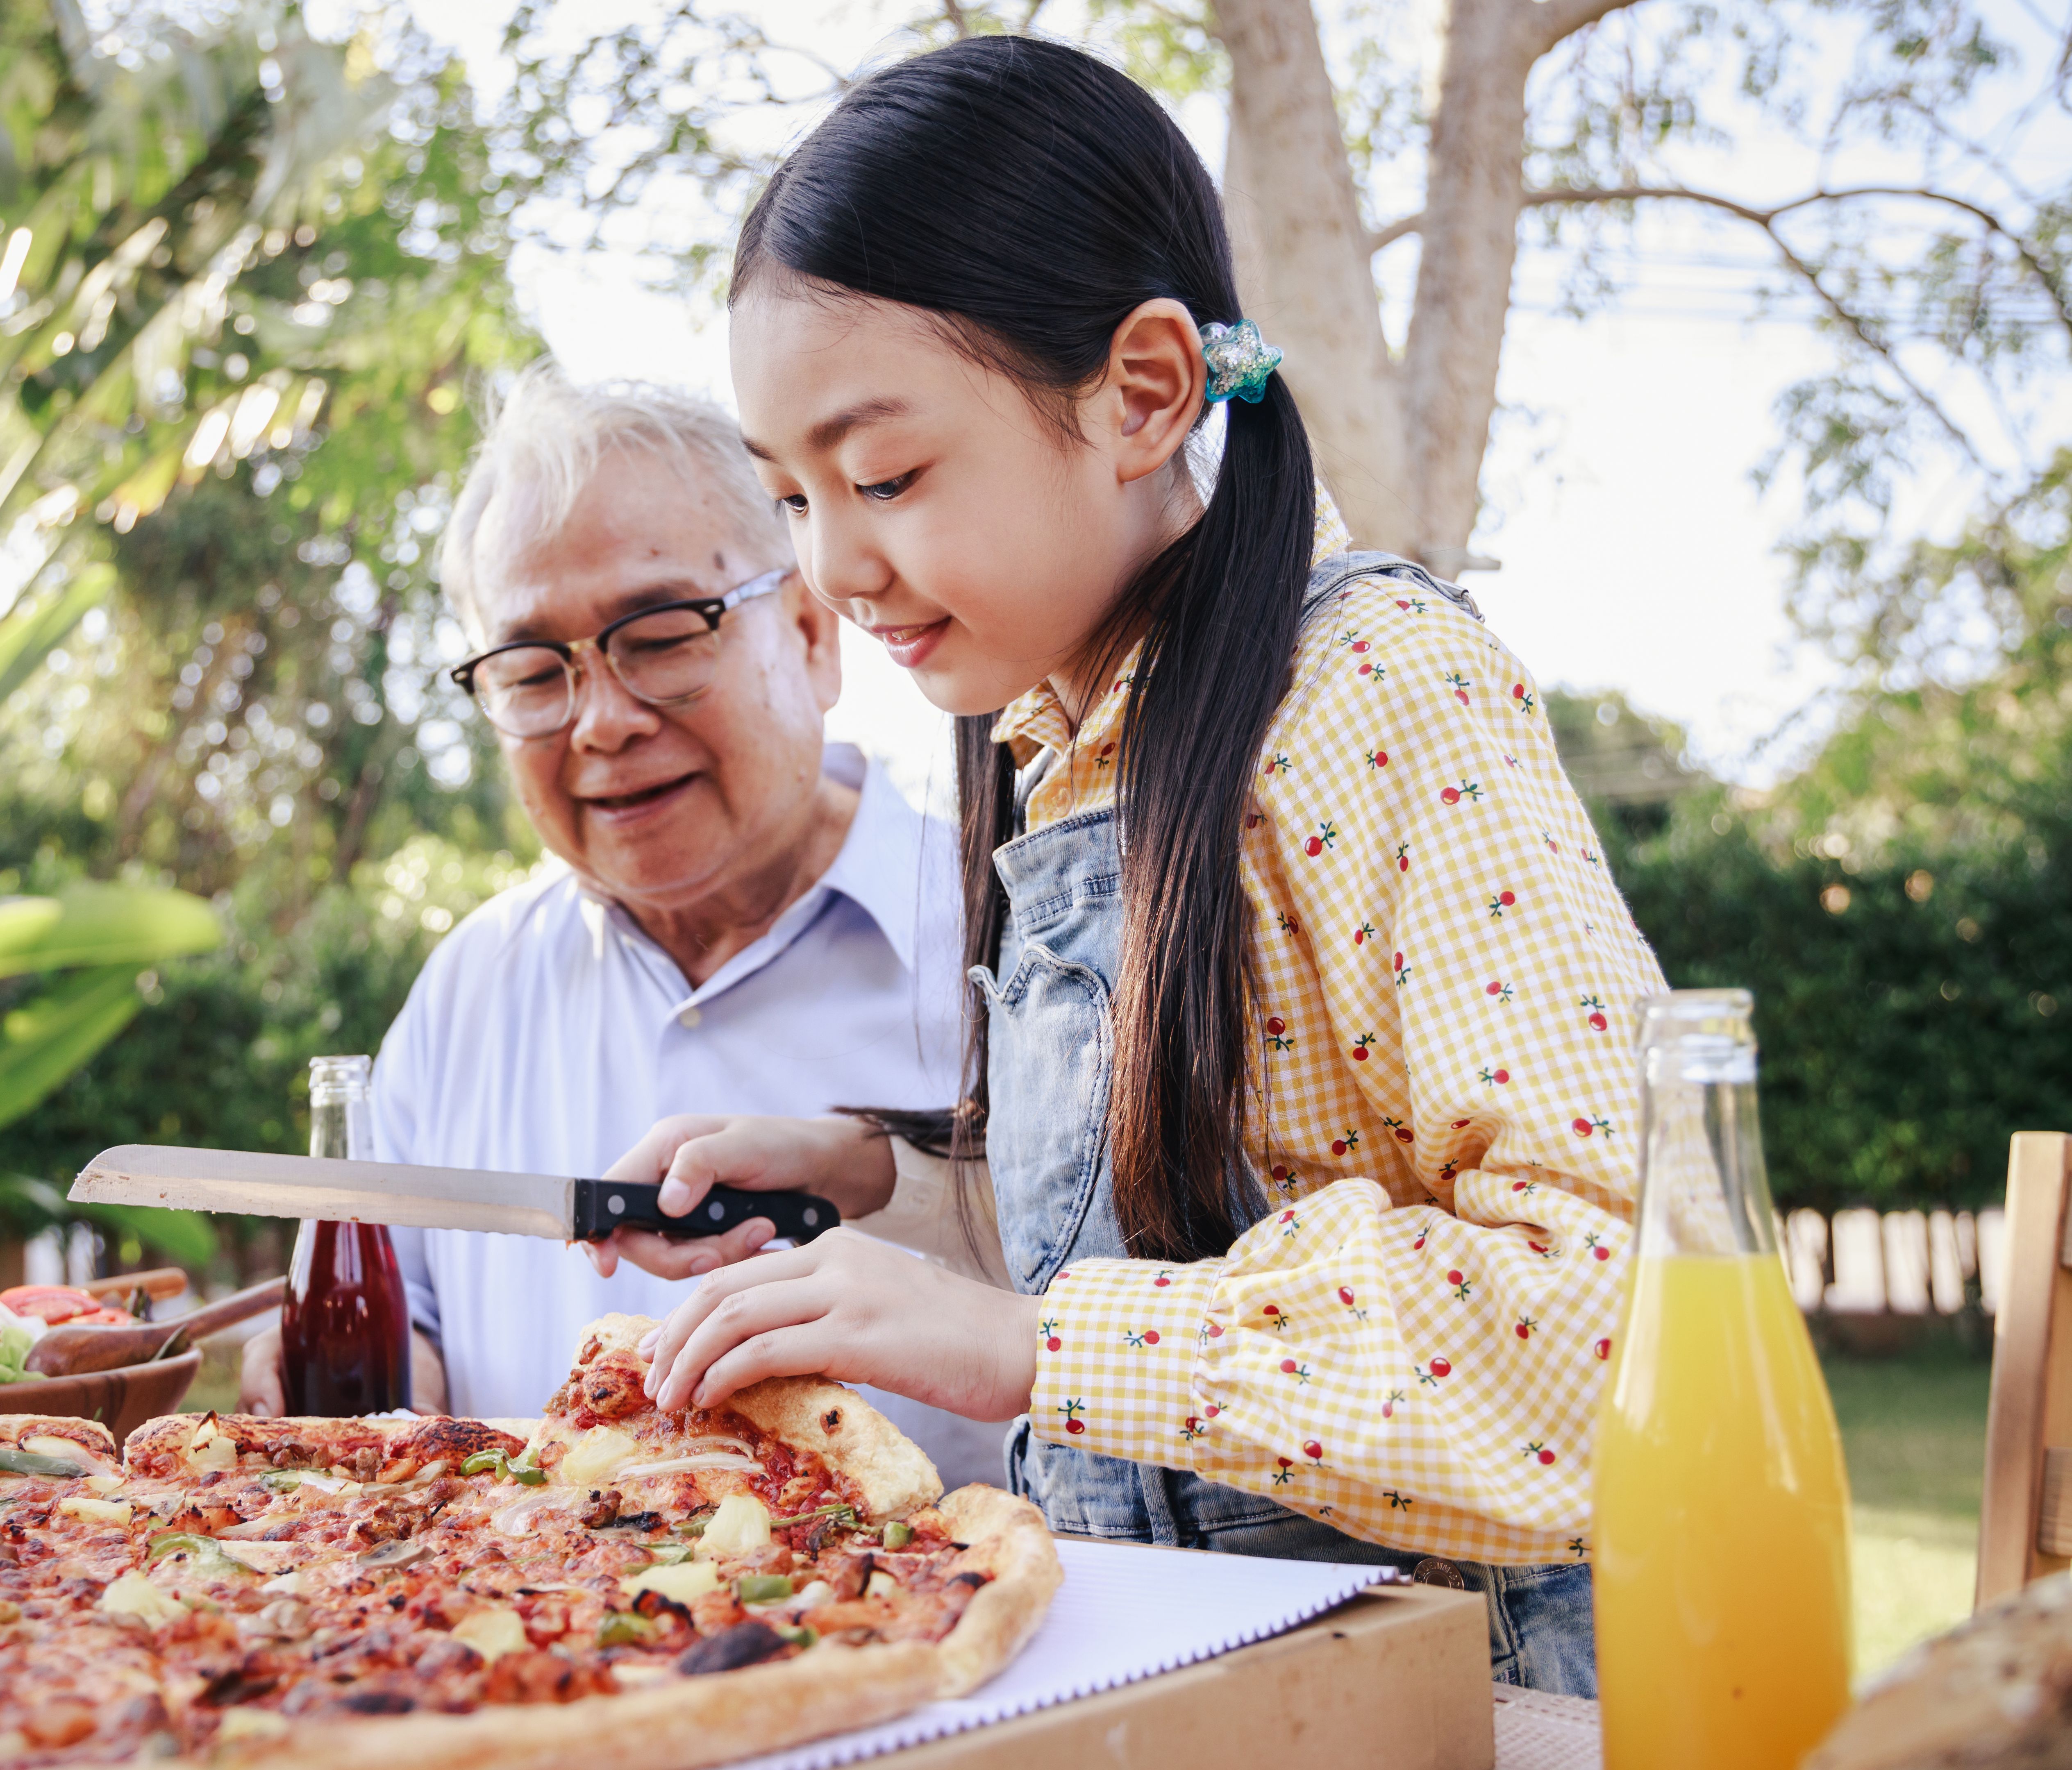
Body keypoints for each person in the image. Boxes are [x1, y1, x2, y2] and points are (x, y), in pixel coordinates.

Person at [595, 37, 1663, 1695]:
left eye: (882, 475)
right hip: (1181, 1687)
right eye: (793, 494)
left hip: (1468, 1708)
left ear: (1146, 391)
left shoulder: (1381, 695)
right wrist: (890, 1181)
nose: (833, 565)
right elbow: (1192, 1207)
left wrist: (1019, 1344)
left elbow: (1615, 1331)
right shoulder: (1045, 734)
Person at [241, 365, 1008, 1490]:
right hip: (541, 1635)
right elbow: (415, 1334)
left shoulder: (1016, 936)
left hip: (964, 1631)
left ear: (809, 632)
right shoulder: (470, 987)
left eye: (657, 636)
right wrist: (372, 1376)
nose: (600, 722)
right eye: (533, 670)